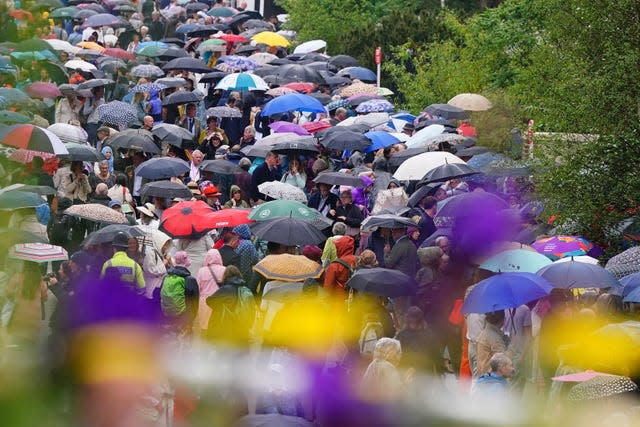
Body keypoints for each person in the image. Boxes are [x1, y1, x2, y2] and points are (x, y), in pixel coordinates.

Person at [205, 265, 256, 346]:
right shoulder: (246, 290)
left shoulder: (225, 289)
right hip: (242, 328)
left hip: (227, 327)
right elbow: (252, 310)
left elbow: (209, 301)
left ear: (226, 276)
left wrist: (221, 306)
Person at [160, 251, 199, 332]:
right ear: (185, 260)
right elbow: (195, 301)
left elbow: (161, 295)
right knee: (184, 339)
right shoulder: (190, 279)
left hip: (168, 314)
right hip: (185, 316)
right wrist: (193, 317)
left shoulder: (166, 277)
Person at [360, 338, 406, 402]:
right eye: (397, 352)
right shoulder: (388, 367)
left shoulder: (373, 364)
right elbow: (397, 392)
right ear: (388, 351)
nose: (398, 356)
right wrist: (406, 382)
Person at [195, 249, 226, 334]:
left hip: (205, 301)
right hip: (219, 300)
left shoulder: (202, 270)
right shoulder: (224, 270)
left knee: (205, 324)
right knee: (217, 323)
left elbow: (197, 287)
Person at [476, 310, 510, 376]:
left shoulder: (486, 332)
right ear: (502, 319)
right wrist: (513, 347)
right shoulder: (494, 337)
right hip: (492, 378)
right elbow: (503, 361)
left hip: (484, 375)